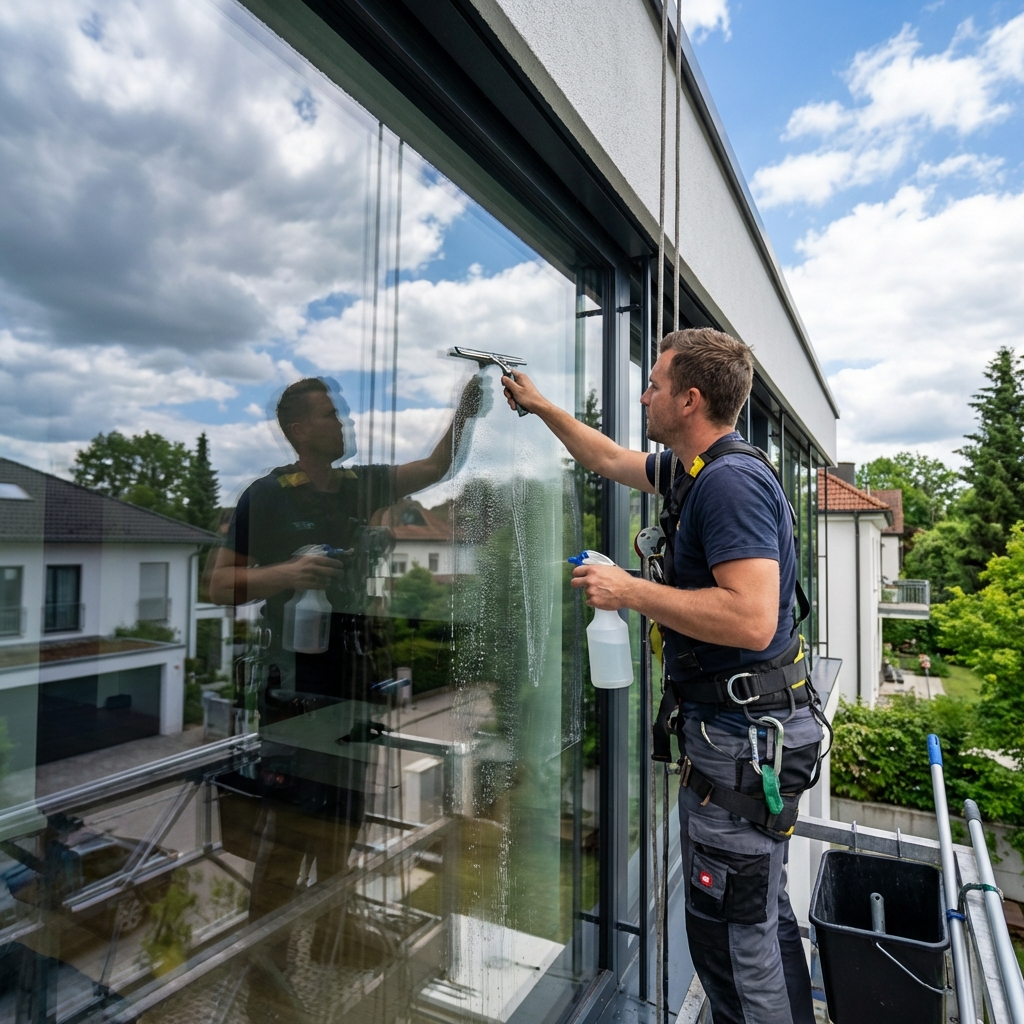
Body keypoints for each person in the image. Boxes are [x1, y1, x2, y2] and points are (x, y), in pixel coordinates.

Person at [501, 328, 820, 1024]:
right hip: (739, 737)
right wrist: (540, 405)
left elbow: (751, 618)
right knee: (757, 922)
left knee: (735, 946)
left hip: (740, 744)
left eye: (653, 384)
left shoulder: (728, 484)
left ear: (690, 399)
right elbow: (608, 458)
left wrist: (629, 590)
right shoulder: (693, 468)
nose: (644, 396)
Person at [209, 374, 483, 1022]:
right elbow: (217, 584)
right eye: (330, 414)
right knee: (288, 839)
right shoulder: (268, 497)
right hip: (295, 693)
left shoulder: (360, 486)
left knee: (343, 822)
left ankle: (335, 933)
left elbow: (438, 467)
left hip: (353, 684)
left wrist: (466, 412)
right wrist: (288, 573)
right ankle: (266, 985)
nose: (344, 421)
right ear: (299, 430)